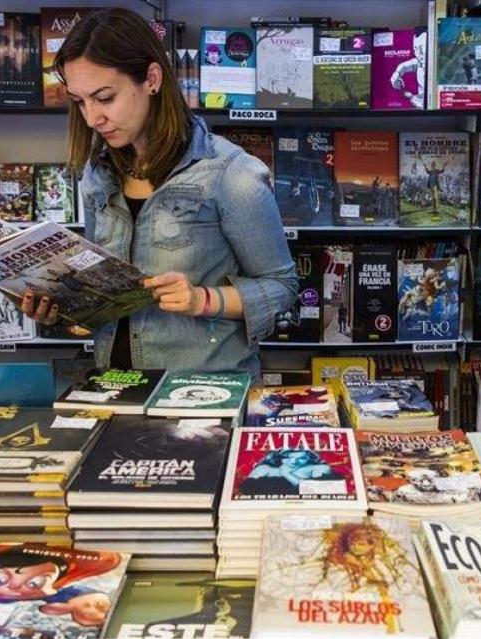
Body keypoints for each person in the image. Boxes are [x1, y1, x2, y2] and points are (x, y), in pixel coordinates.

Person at [20, 9, 297, 379]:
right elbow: (100, 294)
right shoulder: (97, 173)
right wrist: (60, 305)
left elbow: (281, 288)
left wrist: (202, 300)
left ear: (151, 79)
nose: (91, 118)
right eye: (80, 101)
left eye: (105, 98)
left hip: (200, 389)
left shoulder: (231, 173)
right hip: (113, 384)